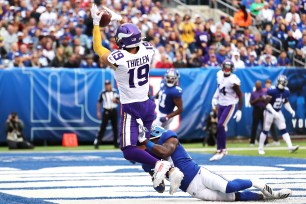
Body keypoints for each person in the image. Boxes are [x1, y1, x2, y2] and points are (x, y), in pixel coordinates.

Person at [91, 4, 180, 188]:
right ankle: (158, 173)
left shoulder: (120, 60)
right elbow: (134, 35)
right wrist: (120, 19)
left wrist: (95, 24)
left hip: (131, 108)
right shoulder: (148, 49)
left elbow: (98, 47)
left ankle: (161, 166)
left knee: (128, 150)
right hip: (148, 105)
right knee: (141, 145)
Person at [138, 125, 292, 201]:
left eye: (147, 142)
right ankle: (266, 197)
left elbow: (165, 152)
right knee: (233, 198)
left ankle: (257, 182)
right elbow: (160, 189)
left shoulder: (169, 138)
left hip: (199, 175)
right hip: (193, 191)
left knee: (228, 187)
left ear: (153, 137)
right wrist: (156, 179)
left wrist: (147, 144)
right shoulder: (148, 161)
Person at [210, 59, 243, 161]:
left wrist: (239, 110)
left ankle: (223, 149)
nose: (227, 69)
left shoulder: (233, 79)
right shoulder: (219, 75)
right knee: (220, 127)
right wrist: (214, 97)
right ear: (222, 68)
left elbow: (240, 95)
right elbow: (219, 88)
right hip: (221, 104)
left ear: (232, 69)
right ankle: (219, 148)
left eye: (229, 68)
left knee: (221, 125)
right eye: (225, 67)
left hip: (230, 104)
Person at [258, 75, 299, 155]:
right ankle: (260, 148)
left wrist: (291, 110)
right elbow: (266, 103)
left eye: (283, 82)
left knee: (283, 128)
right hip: (269, 112)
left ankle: (290, 147)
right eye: (280, 82)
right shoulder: (272, 90)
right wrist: (274, 112)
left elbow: (285, 101)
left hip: (278, 111)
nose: (281, 84)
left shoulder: (286, 91)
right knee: (265, 130)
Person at [94, 80, 120, 149]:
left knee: (115, 128)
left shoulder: (114, 91)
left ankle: (116, 143)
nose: (107, 86)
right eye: (106, 85)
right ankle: (97, 143)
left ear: (110, 85)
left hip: (113, 110)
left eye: (108, 85)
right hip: (106, 111)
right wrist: (98, 112)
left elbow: (118, 101)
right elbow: (99, 102)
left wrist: (116, 100)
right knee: (103, 127)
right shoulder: (103, 93)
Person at [249, 81, 266, 146]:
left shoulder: (264, 91)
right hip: (256, 109)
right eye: (257, 85)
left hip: (263, 109)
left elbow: (268, 100)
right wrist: (258, 100)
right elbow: (250, 103)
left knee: (264, 126)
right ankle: (252, 141)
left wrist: (264, 99)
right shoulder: (253, 93)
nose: (258, 86)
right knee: (254, 126)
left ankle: (265, 142)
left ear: (261, 85)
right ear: (255, 85)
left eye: (259, 85)